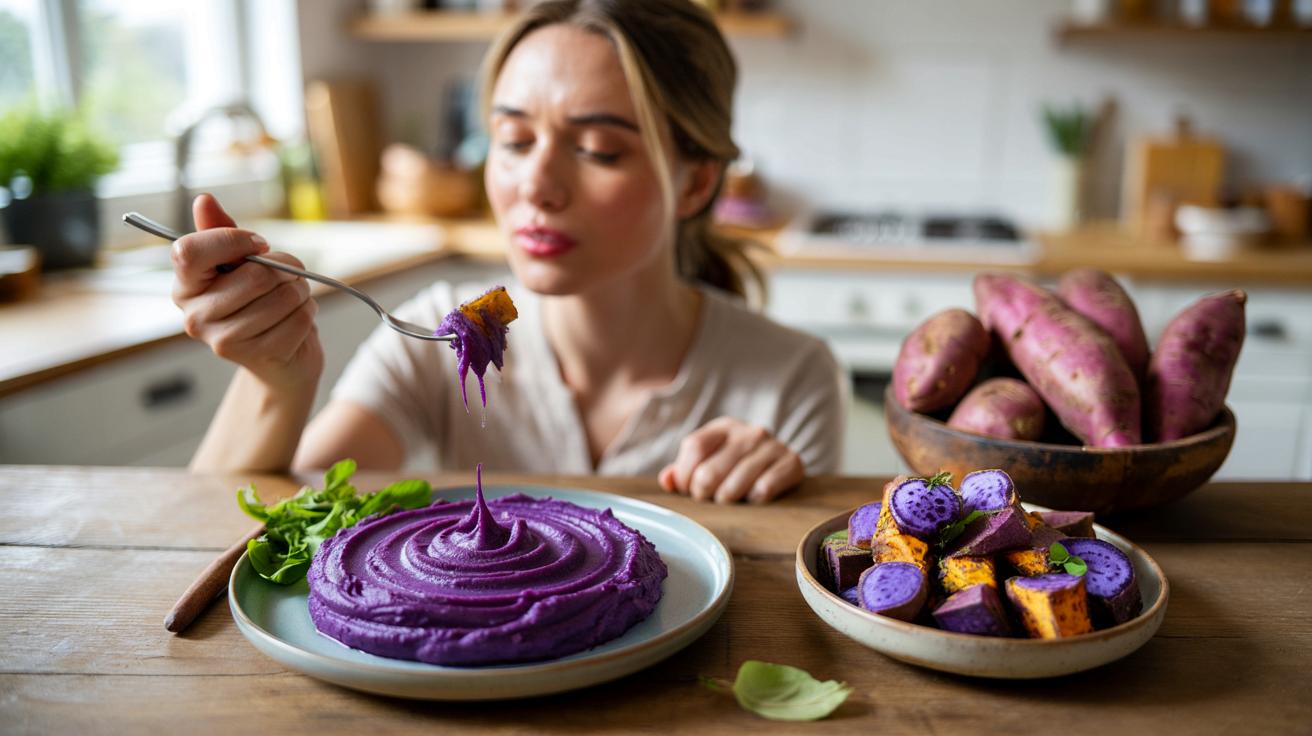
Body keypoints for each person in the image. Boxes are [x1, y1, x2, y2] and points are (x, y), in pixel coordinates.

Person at [171, 0, 846, 503]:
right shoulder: (438, 335)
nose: (537, 186)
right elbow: (273, 527)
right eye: (515, 141)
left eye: (596, 150)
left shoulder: (788, 380)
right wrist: (277, 380)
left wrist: (782, 498)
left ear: (696, 180)